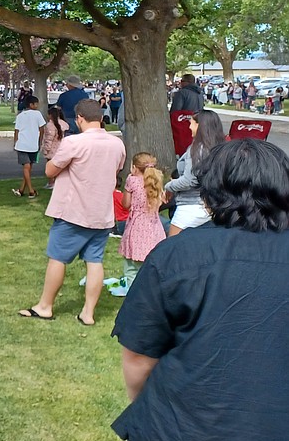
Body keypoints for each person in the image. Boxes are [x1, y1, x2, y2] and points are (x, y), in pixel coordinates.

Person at [112, 139, 289, 441]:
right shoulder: (178, 254)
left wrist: (148, 408)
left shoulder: (176, 255)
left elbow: (138, 360)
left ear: (209, 195)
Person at [18, 98, 126, 325]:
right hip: (102, 213)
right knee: (94, 261)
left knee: (57, 258)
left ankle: (45, 306)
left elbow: (49, 170)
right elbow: (116, 169)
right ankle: (88, 312)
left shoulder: (74, 143)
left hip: (73, 212)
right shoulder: (117, 144)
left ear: (79, 118)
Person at [164, 109, 226, 236]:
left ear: (200, 126)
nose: (189, 127)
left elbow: (189, 180)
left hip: (190, 206)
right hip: (212, 206)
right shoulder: (220, 148)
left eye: (191, 123)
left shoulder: (198, 149)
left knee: (174, 247)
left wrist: (168, 186)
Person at [118, 152, 166, 288]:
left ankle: (133, 293)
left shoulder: (132, 181)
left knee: (131, 267)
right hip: (154, 227)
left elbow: (125, 204)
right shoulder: (156, 181)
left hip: (137, 226)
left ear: (134, 167)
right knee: (150, 264)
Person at [12, 95, 46, 198]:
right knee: (28, 167)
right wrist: (40, 142)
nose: (37, 106)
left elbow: (16, 131)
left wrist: (15, 142)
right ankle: (30, 190)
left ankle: (22, 189)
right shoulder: (38, 114)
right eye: (36, 104)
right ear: (31, 105)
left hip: (22, 144)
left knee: (27, 168)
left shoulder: (20, 116)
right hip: (33, 144)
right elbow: (42, 129)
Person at [41, 105, 68, 190]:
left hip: (52, 149)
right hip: (61, 148)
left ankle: (51, 182)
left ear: (51, 115)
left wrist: (46, 150)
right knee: (59, 166)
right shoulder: (64, 124)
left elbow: (49, 139)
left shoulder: (50, 125)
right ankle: (58, 181)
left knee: (50, 166)